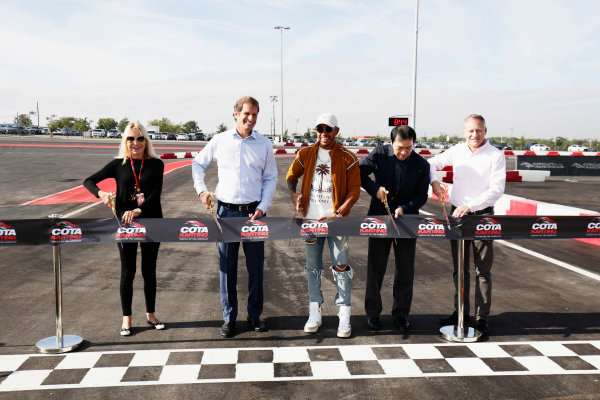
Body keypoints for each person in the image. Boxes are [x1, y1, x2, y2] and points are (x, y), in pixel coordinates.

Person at [192, 96, 278, 338]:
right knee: (226, 268)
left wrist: (263, 206)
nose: (250, 119)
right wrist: (202, 190)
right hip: (226, 212)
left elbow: (271, 177)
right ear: (235, 114)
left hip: (254, 214)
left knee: (256, 269)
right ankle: (229, 318)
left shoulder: (264, 144)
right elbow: (198, 165)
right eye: (246, 114)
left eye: (254, 115)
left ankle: (254, 315)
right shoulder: (220, 140)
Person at [84, 121, 165, 336]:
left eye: (139, 138)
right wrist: (101, 194)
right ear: (125, 141)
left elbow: (155, 194)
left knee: (149, 271)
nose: (135, 143)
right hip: (125, 225)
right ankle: (126, 319)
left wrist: (138, 210)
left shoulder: (156, 164)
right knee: (127, 272)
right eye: (131, 138)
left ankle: (151, 315)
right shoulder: (117, 164)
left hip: (151, 221)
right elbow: (89, 181)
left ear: (146, 140)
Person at [429, 114, 506, 336]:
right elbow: (430, 164)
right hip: (457, 216)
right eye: (470, 130)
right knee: (459, 269)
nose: (475, 134)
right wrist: (435, 182)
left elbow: (496, 189)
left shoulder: (495, 155)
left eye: (479, 130)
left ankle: (482, 318)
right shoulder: (457, 151)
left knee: (482, 270)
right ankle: (460, 311)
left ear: (485, 131)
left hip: (482, 217)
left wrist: (471, 206)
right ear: (464, 132)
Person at [286, 113, 361, 338]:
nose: (324, 134)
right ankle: (315, 311)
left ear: (336, 131)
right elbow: (291, 176)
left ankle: (344, 315)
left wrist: (338, 213)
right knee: (312, 268)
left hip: (337, 223)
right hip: (310, 221)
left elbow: (355, 191)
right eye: (320, 129)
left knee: (341, 268)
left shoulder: (349, 158)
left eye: (328, 129)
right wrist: (293, 195)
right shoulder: (306, 154)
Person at [359, 125, 430, 333]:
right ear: (392, 143)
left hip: (407, 220)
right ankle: (372, 313)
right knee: (376, 268)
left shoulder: (421, 164)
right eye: (400, 147)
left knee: (405, 270)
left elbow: (422, 195)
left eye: (408, 148)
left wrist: (404, 208)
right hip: (380, 218)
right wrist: (375, 190)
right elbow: (360, 172)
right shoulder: (379, 154)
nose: (404, 152)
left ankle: (401, 314)